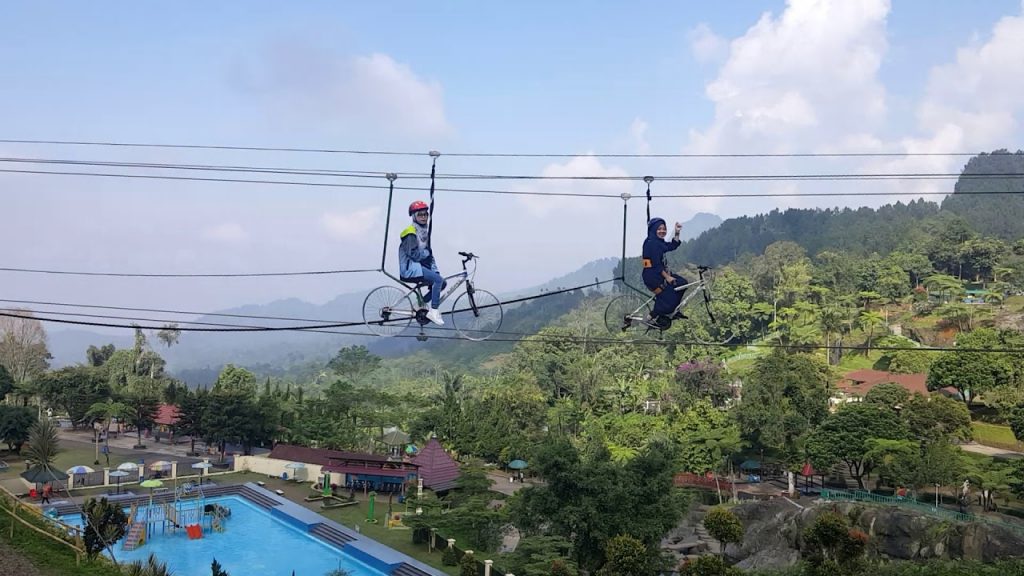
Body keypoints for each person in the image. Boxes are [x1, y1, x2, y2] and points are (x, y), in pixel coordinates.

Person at [399, 201, 445, 325]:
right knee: (438, 281)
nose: (424, 217)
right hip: (410, 269)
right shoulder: (410, 232)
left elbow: (430, 256)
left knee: (442, 283)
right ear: (414, 216)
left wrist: (435, 272)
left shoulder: (424, 232)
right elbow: (413, 254)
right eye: (420, 215)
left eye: (426, 214)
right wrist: (426, 254)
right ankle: (434, 311)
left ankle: (421, 306)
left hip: (420, 267)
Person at [641, 217, 687, 327]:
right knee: (669, 295)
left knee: (682, 283)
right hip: (652, 276)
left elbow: (671, 246)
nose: (662, 231)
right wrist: (667, 277)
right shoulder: (651, 243)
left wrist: (676, 233)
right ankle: (653, 315)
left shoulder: (657, 242)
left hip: (658, 273)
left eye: (664, 229)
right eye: (659, 229)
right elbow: (656, 264)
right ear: (653, 230)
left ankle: (673, 311)